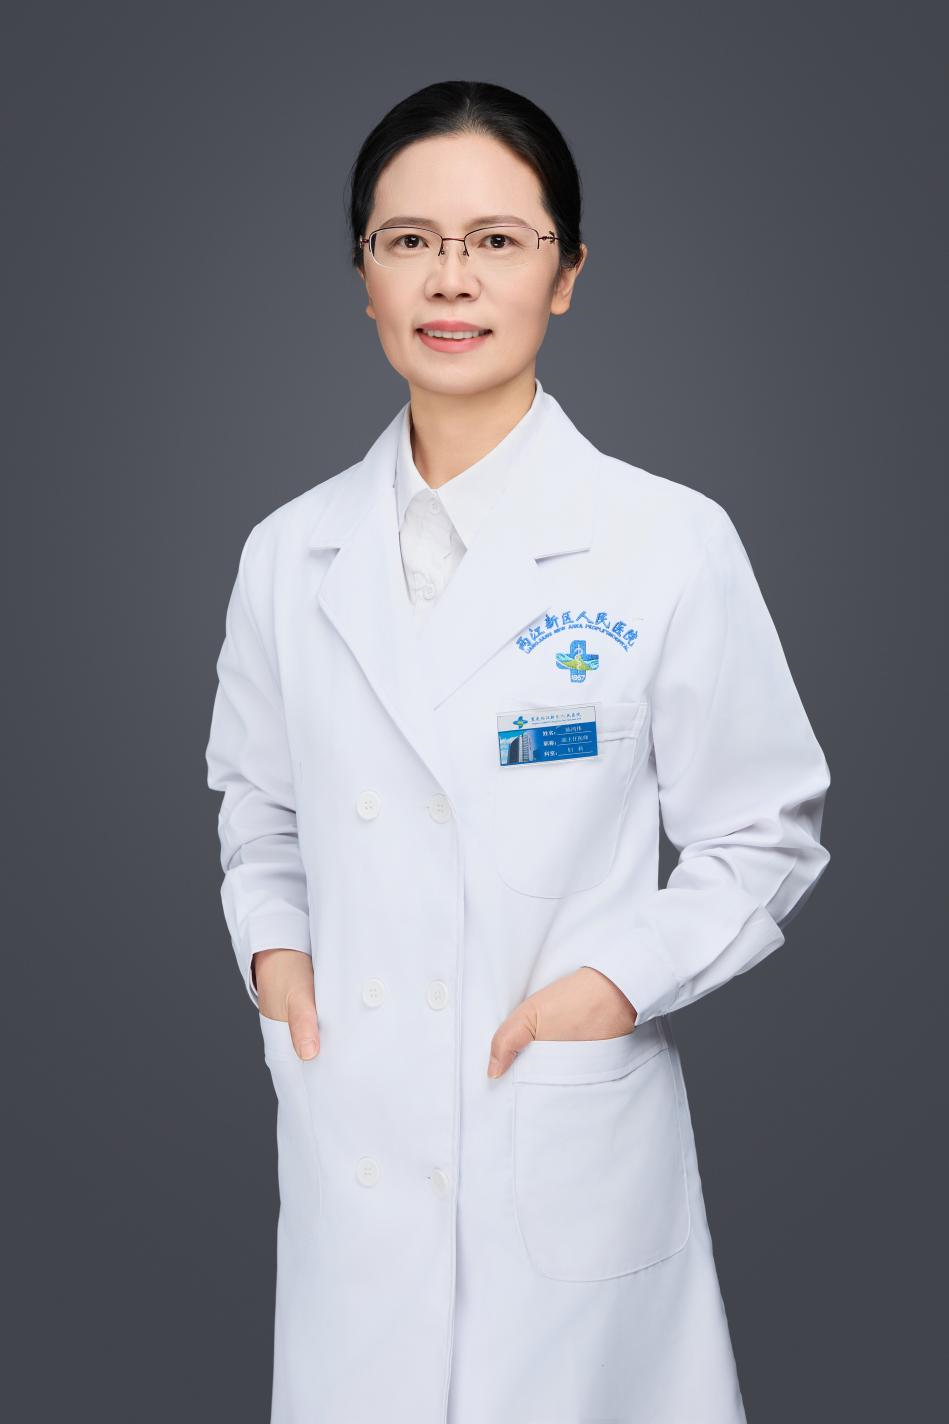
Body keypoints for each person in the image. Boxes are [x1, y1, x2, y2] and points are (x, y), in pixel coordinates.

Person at [205, 79, 831, 1424]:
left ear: (567, 273)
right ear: (364, 277)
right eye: (409, 240)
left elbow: (764, 829)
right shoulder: (287, 554)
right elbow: (258, 810)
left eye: (497, 239)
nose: (452, 277)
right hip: (353, 1138)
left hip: (562, 1125)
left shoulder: (666, 541)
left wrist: (612, 987)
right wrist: (276, 959)